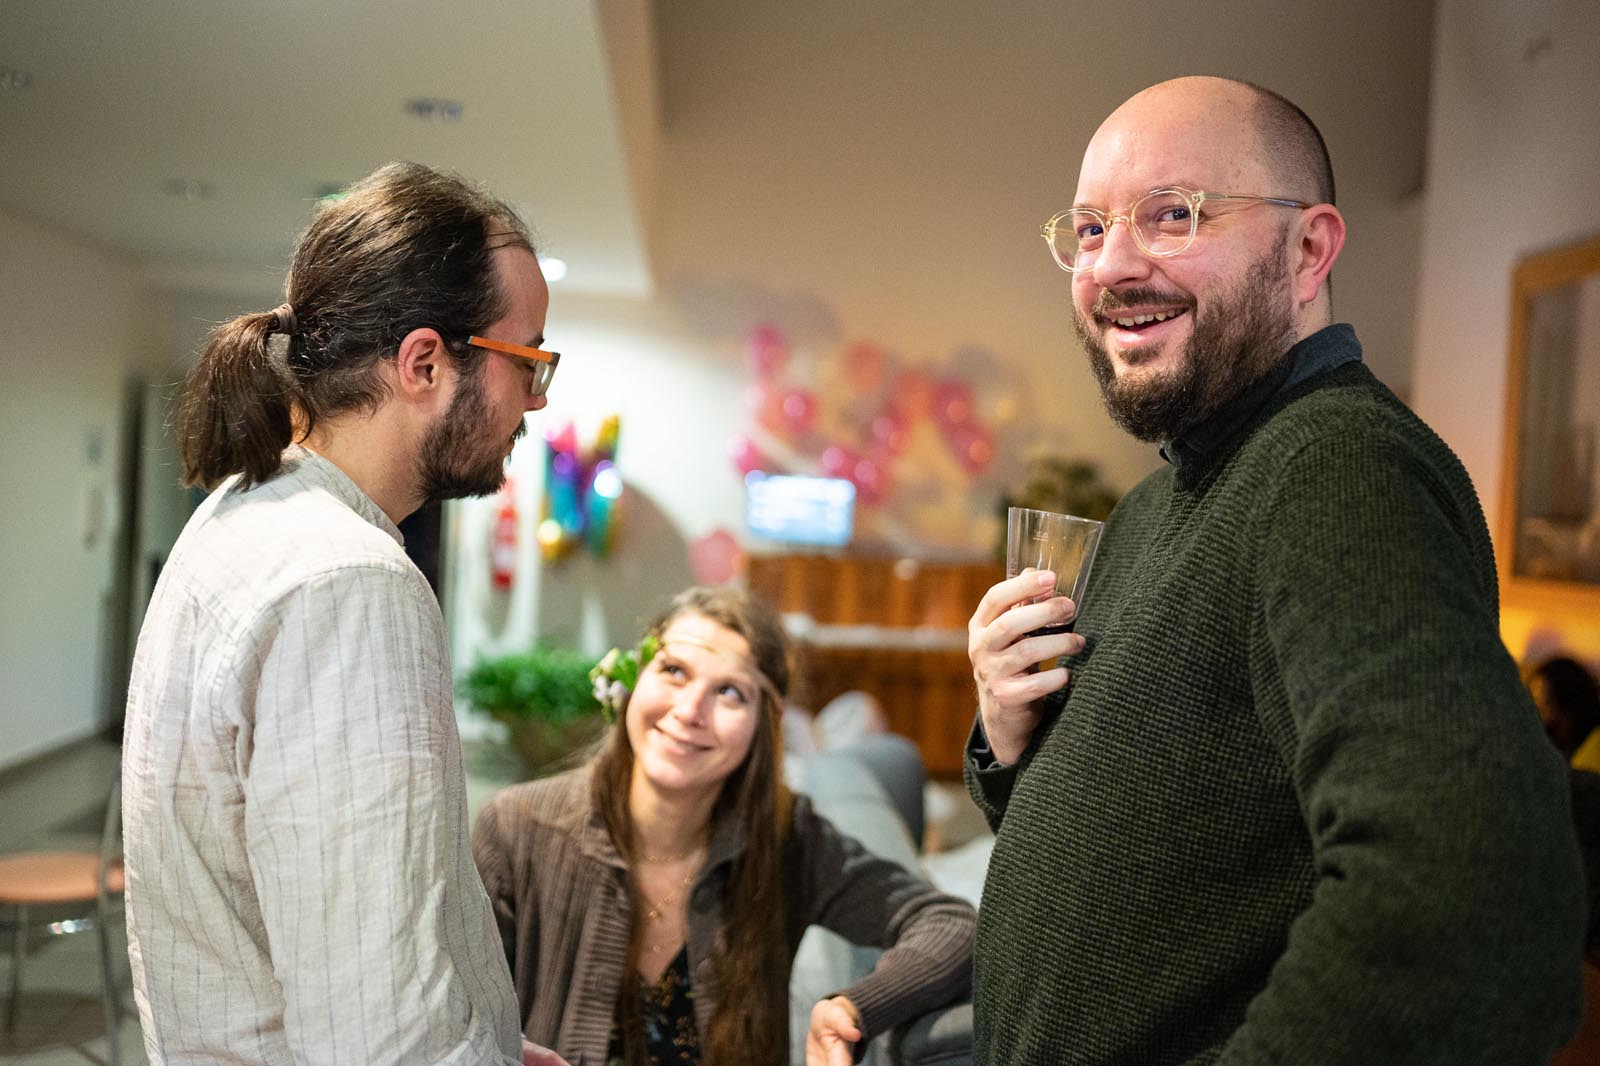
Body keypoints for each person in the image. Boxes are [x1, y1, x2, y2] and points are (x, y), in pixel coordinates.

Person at [965, 76, 1586, 1065]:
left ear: (1308, 251)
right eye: (1088, 230)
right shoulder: (1157, 503)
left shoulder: (1336, 468)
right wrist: (1010, 741)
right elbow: (1150, 854)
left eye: (1173, 214)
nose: (1110, 264)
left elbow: (1478, 903)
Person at [123, 162, 563, 1065]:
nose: (539, 398)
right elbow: (374, 1026)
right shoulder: (351, 583)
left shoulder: (244, 509)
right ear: (424, 363)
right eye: (529, 361)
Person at [472, 586, 975, 1066]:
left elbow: (952, 926)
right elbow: (454, 1008)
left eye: (729, 692)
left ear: (766, 723)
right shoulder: (516, 830)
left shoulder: (788, 840)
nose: (690, 710)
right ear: (635, 679)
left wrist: (854, 1007)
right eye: (674, 670)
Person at [1529, 655, 1600, 769]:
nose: (1535, 706)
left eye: (1543, 699)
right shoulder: (1541, 743)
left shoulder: (1592, 747)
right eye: (1533, 697)